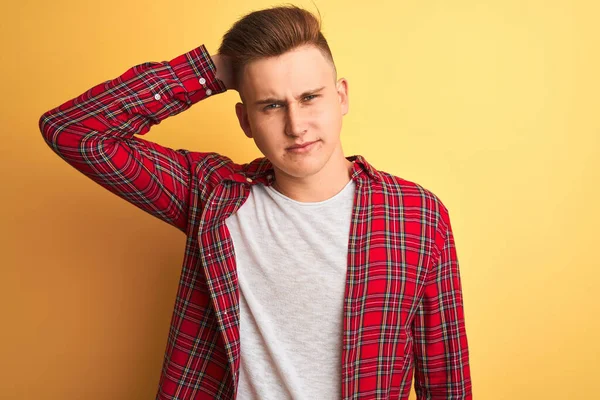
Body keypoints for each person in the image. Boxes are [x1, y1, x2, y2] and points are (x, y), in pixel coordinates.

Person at [39, 4, 472, 400]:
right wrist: (215, 70)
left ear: (340, 97)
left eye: (309, 97)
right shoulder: (211, 196)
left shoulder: (415, 216)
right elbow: (72, 130)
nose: (296, 125)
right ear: (246, 120)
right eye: (270, 105)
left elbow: (447, 378)